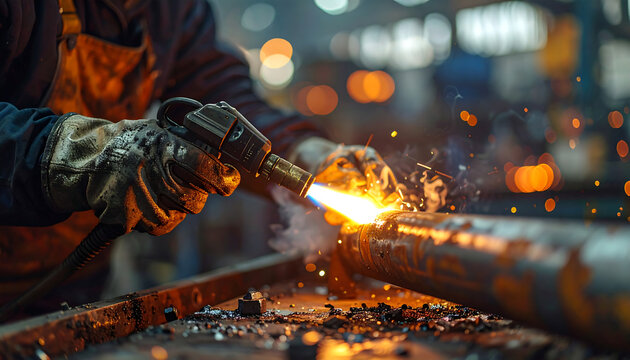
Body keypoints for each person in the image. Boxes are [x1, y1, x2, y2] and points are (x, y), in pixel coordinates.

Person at [0, 0, 399, 315]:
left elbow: (224, 97)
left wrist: (306, 151)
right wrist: (71, 153)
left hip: (74, 286)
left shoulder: (172, 10)